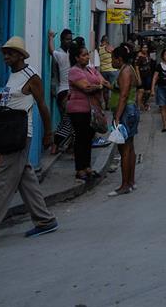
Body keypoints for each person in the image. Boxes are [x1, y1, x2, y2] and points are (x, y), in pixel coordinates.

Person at [0, 37, 58, 243]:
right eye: (4, 53)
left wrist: (48, 134)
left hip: (20, 135)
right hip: (9, 134)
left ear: (20, 55)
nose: (6, 57)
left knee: (2, 183)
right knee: (25, 178)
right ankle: (45, 220)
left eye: (10, 53)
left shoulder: (31, 76)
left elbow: (43, 107)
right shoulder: (12, 76)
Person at [67, 42, 110, 182]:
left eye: (87, 54)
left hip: (92, 109)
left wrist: (99, 85)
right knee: (81, 139)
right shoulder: (74, 71)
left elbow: (103, 81)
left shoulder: (90, 69)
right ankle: (80, 169)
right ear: (77, 58)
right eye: (84, 55)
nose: (87, 57)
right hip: (78, 109)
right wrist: (99, 86)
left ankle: (87, 167)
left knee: (89, 138)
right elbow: (86, 87)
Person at [109, 43, 141, 197]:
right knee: (130, 146)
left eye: (113, 59)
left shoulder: (125, 71)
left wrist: (117, 116)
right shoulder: (129, 68)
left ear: (119, 59)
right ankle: (131, 182)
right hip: (131, 110)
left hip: (126, 111)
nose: (111, 62)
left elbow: (123, 95)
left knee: (125, 149)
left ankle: (124, 184)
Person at [48, 27, 73, 154]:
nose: (69, 41)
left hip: (68, 92)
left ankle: (65, 145)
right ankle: (56, 144)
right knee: (69, 121)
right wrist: (51, 38)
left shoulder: (71, 55)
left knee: (66, 120)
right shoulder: (60, 54)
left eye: (71, 39)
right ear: (62, 40)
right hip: (64, 92)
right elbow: (51, 50)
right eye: (67, 39)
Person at [98, 35, 117, 110]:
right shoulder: (109, 47)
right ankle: (114, 104)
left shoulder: (98, 49)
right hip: (112, 70)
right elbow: (116, 54)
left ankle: (107, 105)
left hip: (103, 71)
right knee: (113, 89)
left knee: (105, 90)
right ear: (106, 41)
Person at [135, 43, 153, 111]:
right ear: (141, 48)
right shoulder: (139, 56)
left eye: (146, 48)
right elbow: (136, 67)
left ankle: (143, 103)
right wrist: (138, 78)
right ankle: (138, 107)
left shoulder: (147, 55)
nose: (145, 49)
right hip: (141, 75)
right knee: (141, 91)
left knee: (148, 92)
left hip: (148, 75)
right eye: (143, 48)